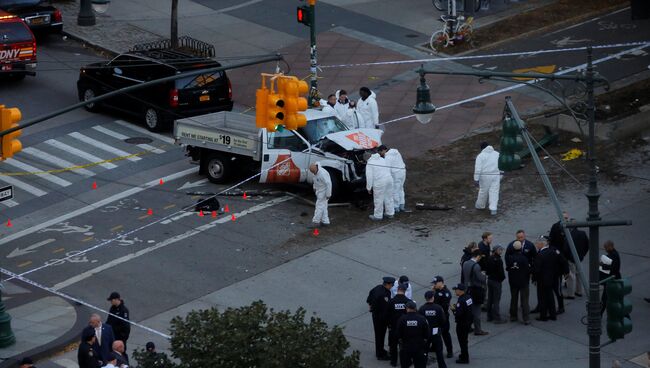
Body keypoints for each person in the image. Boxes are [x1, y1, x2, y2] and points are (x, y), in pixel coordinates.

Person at [366, 276, 395, 361]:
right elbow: (386, 308)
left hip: (375, 316)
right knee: (380, 336)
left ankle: (380, 350)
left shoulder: (377, 288)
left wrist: (371, 307)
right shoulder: (384, 294)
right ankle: (380, 354)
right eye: (392, 285)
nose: (392, 286)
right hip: (381, 318)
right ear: (388, 284)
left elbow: (369, 299)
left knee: (379, 335)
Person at [461, 249, 488, 335]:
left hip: (467, 289)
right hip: (475, 290)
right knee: (476, 311)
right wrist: (484, 275)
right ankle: (478, 330)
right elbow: (481, 279)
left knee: (469, 309)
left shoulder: (465, 263)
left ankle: (468, 327)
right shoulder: (476, 266)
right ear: (478, 256)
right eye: (480, 257)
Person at [418, 291, 447, 368]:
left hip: (425, 333)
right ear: (433, 298)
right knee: (439, 352)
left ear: (426, 298)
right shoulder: (438, 308)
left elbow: (420, 322)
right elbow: (443, 320)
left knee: (424, 352)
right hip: (436, 332)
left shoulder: (422, 309)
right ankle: (442, 366)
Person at [397, 301, 430, 368]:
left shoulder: (402, 319)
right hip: (419, 347)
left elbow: (398, 333)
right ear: (415, 308)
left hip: (406, 347)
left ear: (407, 308)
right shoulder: (422, 319)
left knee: (405, 365)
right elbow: (427, 334)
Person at [533, 239, 559, 321]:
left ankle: (543, 316)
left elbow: (537, 269)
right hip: (551, 278)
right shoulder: (552, 252)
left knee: (542, 298)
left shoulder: (540, 255)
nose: (536, 246)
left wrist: (534, 277)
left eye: (537, 244)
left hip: (542, 280)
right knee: (550, 297)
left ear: (541, 245)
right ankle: (553, 314)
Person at [506, 241, 531, 324]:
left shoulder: (509, 258)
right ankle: (526, 318)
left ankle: (513, 316)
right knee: (524, 300)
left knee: (514, 298)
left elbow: (508, 268)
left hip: (513, 281)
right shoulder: (524, 258)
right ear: (521, 248)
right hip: (523, 281)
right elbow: (528, 270)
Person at [473, 142, 501, 215]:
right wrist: (501, 174)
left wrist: (476, 179)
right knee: (494, 191)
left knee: (483, 191)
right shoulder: (497, 154)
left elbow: (478, 169)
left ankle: (480, 205)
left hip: (485, 176)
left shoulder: (480, 156)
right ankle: (493, 209)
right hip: (496, 175)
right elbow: (501, 165)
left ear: (482, 148)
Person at [365, 151, 395, 221]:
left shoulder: (370, 163)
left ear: (367, 159)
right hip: (389, 179)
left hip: (380, 182)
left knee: (378, 199)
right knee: (389, 197)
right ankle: (390, 213)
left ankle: (378, 216)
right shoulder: (382, 159)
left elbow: (369, 177)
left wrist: (369, 187)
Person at [388, 284, 413, 367]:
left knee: (393, 346)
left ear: (398, 289)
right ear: (405, 291)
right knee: (405, 346)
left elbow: (386, 315)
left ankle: (393, 362)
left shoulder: (391, 301)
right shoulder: (408, 302)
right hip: (405, 329)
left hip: (393, 327)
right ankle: (406, 362)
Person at [431, 276, 454, 358]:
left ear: (441, 283)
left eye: (435, 283)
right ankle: (434, 347)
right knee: (434, 332)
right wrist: (433, 292)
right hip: (435, 316)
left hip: (443, 317)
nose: (434, 285)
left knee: (445, 334)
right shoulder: (436, 291)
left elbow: (443, 306)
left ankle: (450, 351)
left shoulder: (446, 293)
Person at [379, 145, 407, 213]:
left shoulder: (388, 157)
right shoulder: (396, 152)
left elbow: (387, 169)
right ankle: (402, 205)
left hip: (396, 174)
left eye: (380, 152)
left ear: (383, 150)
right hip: (403, 171)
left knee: (395, 190)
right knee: (401, 188)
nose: (381, 154)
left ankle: (396, 206)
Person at [451, 284, 473, 364]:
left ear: (460, 290)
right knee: (465, 340)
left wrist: (454, 309)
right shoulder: (468, 297)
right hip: (468, 322)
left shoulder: (461, 300)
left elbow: (458, 314)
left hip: (462, 324)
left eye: (456, 290)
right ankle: (464, 354)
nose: (455, 291)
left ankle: (465, 358)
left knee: (462, 341)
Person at [565, 226, 589, 298]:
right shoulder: (583, 233)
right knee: (579, 275)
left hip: (571, 258)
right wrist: (583, 254)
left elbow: (566, 248)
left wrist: (566, 257)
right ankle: (579, 291)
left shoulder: (569, 234)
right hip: (579, 257)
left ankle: (570, 294)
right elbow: (587, 245)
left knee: (571, 276)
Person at [485, 245, 506, 323]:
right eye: (500, 250)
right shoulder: (498, 260)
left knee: (490, 299)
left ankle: (489, 316)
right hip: (496, 281)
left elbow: (487, 270)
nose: (501, 251)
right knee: (496, 300)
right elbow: (501, 273)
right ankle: (497, 318)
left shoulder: (489, 258)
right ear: (496, 250)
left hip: (490, 280)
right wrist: (501, 279)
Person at [599, 240, 621, 314]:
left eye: (606, 247)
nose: (605, 249)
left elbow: (613, 267)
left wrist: (602, 265)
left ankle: (599, 314)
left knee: (605, 299)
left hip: (612, 280)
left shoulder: (614, 255)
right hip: (612, 279)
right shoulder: (613, 254)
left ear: (610, 247)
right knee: (615, 299)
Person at [309, 163, 332, 227]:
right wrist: (314, 187)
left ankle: (316, 221)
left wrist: (328, 194)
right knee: (323, 206)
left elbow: (328, 184)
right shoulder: (315, 172)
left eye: (314, 172)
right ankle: (325, 221)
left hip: (324, 192)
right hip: (320, 191)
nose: (314, 174)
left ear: (316, 168)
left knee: (319, 206)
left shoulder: (323, 173)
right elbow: (315, 180)